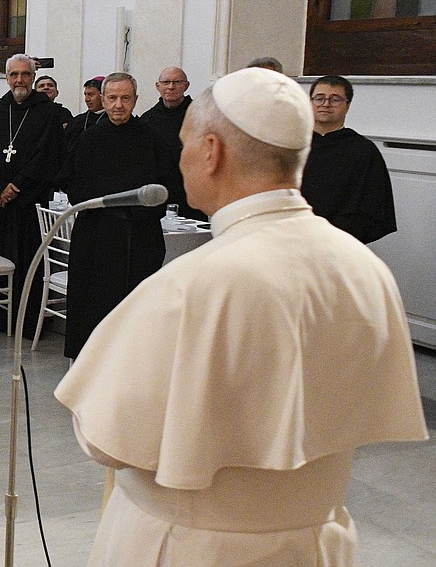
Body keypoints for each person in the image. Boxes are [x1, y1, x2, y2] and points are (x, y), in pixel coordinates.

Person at [54, 67, 426, 565]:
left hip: (192, 546)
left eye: (186, 144)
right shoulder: (365, 269)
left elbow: (107, 439)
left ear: (212, 152)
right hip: (314, 543)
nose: (181, 159)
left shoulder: (191, 285)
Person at [61, 72, 180, 358]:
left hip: (139, 236)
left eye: (125, 98)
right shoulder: (89, 138)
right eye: (112, 98)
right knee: (94, 306)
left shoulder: (152, 138)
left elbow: (168, 184)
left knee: (137, 306)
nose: (118, 105)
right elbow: (72, 183)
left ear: (136, 100)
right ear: (102, 100)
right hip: (96, 236)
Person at [0, 54, 65, 336]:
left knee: (27, 261)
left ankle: (25, 319)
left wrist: (16, 186)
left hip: (28, 200)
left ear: (33, 78)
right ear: (7, 76)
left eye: (25, 74)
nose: (19, 80)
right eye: (14, 75)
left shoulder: (48, 112)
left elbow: (47, 155)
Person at [301, 75, 396, 244]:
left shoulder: (364, 151)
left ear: (347, 106)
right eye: (319, 98)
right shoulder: (293, 145)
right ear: (310, 102)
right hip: (293, 238)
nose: (326, 104)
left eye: (335, 99)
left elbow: (372, 207)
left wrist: (330, 237)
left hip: (340, 243)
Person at [140, 66, 200, 218]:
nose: (171, 87)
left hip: (191, 191)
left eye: (177, 82)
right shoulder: (147, 120)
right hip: (158, 192)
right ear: (158, 86)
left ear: (186, 86)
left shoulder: (200, 115)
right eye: (166, 82)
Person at [65, 77, 105, 143]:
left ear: (103, 96)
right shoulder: (76, 121)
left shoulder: (112, 120)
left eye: (91, 95)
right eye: (85, 94)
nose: (87, 99)